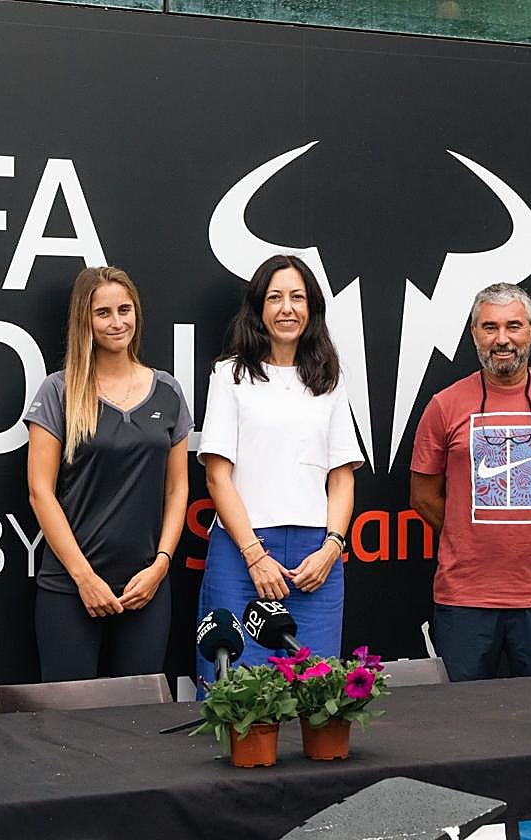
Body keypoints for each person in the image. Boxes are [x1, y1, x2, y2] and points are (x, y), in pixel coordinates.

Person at [409, 282, 531, 681]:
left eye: (513, 326)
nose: (502, 339)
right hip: (464, 598)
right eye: (489, 327)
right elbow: (423, 495)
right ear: (474, 334)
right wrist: (467, 531)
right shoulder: (444, 405)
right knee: (461, 719)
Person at [196, 254, 364, 688]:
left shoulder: (328, 379)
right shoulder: (229, 375)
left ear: (312, 309)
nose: (287, 308)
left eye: (297, 297)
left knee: (318, 693)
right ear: (258, 309)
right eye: (275, 298)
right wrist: (255, 556)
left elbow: (343, 476)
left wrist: (332, 548)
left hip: (317, 561)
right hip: (243, 554)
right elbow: (217, 475)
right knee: (236, 695)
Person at [25, 266, 193, 681]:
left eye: (125, 309)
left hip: (146, 588)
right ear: (85, 320)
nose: (117, 322)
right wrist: (85, 578)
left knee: (138, 723)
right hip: (70, 588)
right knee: (67, 728)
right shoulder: (59, 391)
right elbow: (39, 492)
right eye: (103, 313)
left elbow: (177, 488)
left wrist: (160, 566)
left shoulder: (168, 390)